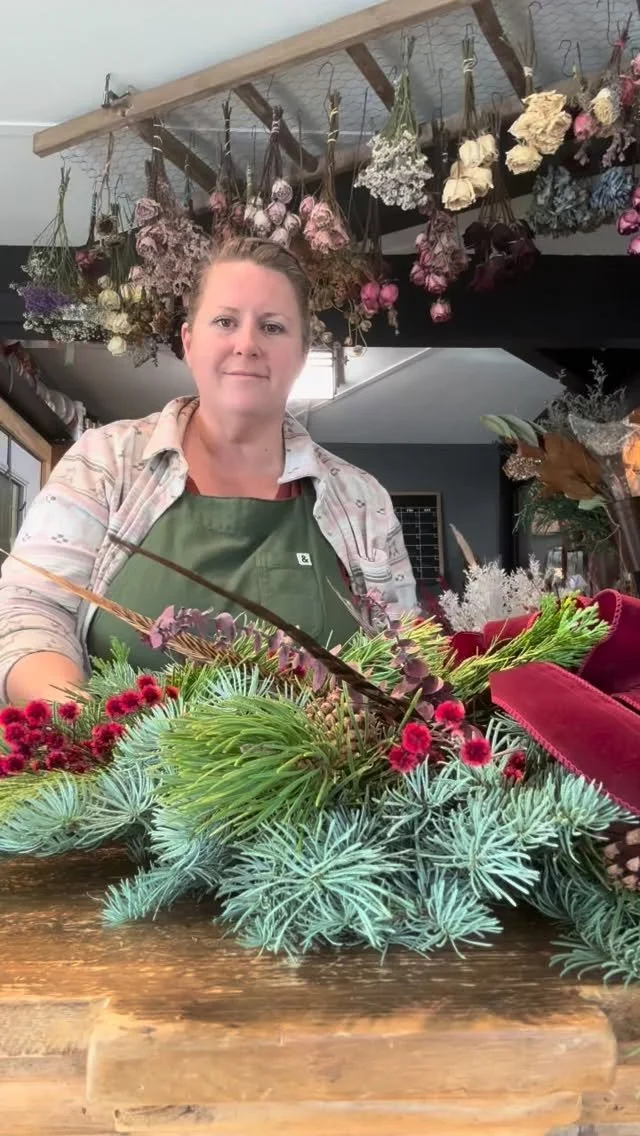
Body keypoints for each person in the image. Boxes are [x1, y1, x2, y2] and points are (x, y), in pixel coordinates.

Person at [0, 238, 417, 705]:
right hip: (112, 749)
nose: (247, 344)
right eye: (225, 321)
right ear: (189, 342)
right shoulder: (105, 462)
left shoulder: (362, 501)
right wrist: (84, 721)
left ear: (302, 353)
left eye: (273, 327)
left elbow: (404, 656)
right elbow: (28, 611)